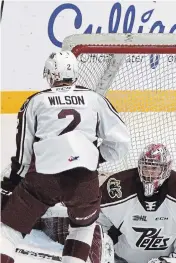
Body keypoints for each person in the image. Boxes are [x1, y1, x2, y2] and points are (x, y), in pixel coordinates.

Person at [0, 51, 131, 263]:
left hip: (43, 178)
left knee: (7, 231)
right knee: (83, 228)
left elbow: (24, 153)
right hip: (83, 180)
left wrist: (12, 183)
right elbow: (121, 143)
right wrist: (92, 158)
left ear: (50, 74)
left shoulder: (35, 101)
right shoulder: (95, 99)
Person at [25, 143, 176, 263]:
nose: (149, 172)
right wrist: (102, 251)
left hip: (165, 256)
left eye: (155, 168)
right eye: (146, 166)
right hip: (123, 256)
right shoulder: (118, 187)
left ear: (167, 169)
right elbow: (96, 222)